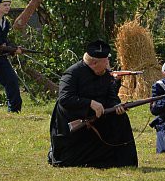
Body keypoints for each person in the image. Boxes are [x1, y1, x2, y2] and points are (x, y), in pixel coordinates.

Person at [47, 40, 137, 168]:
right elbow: (65, 99)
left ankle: (123, 160)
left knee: (120, 118)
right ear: (94, 63)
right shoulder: (72, 74)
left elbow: (111, 96)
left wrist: (116, 105)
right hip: (74, 121)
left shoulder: (105, 74)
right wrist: (90, 103)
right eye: (105, 62)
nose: (108, 65)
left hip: (99, 117)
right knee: (69, 162)